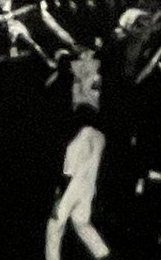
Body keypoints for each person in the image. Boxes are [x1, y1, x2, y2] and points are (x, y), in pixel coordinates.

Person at [46, 106, 111, 260]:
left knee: (54, 226)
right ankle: (103, 253)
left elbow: (68, 170)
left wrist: (58, 197)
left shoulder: (80, 137)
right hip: (88, 186)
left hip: (72, 187)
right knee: (81, 222)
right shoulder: (100, 137)